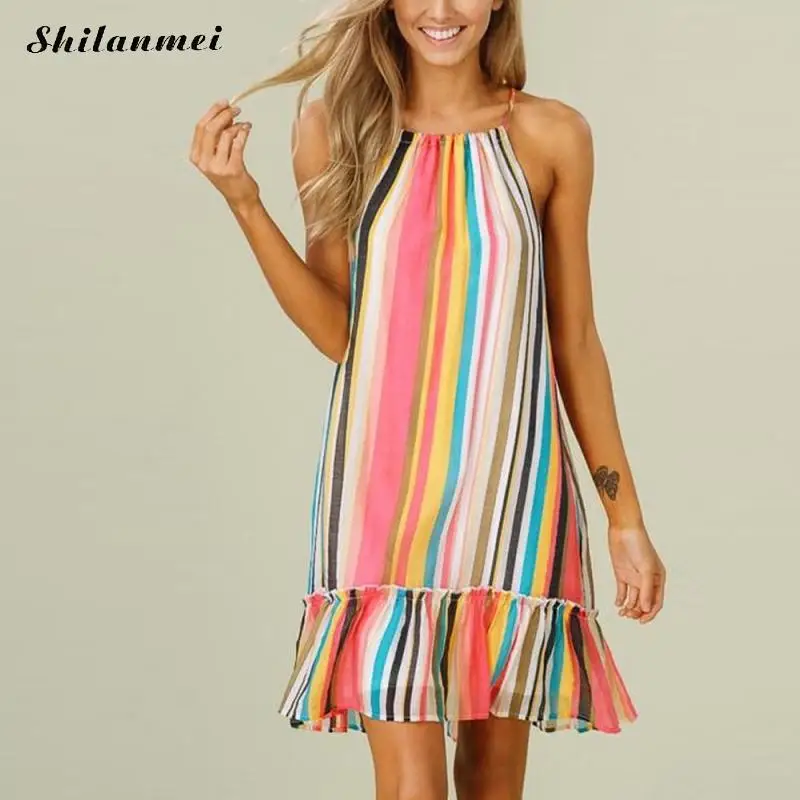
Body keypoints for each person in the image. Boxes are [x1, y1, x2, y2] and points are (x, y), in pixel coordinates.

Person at [189, 1, 667, 797]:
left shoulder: (551, 135)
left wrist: (625, 519)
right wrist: (244, 202)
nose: (441, 10)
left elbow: (575, 339)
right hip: (380, 498)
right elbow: (339, 334)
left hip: (511, 495)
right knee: (413, 787)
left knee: (491, 782)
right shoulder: (333, 128)